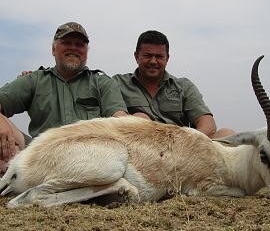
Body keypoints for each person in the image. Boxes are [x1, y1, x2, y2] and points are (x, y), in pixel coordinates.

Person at [0, 22, 128, 167]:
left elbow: (120, 119)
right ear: (53, 49)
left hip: (92, 159)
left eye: (79, 44)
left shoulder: (103, 83)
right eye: (67, 42)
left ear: (86, 51)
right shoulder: (35, 80)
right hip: (41, 157)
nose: (73, 48)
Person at [114, 30, 233, 138]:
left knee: (227, 134)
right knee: (139, 119)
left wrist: (191, 142)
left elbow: (207, 122)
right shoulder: (117, 84)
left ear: (167, 58)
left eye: (159, 57)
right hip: (139, 145)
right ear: (136, 56)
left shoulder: (184, 86)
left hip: (181, 147)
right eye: (147, 56)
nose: (153, 61)